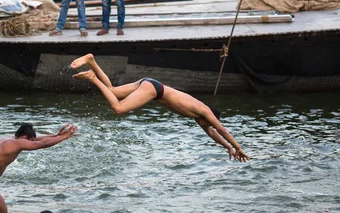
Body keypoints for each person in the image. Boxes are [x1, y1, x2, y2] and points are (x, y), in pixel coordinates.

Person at [70, 54, 249, 162]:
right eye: (209, 124)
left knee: (113, 91)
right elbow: (221, 129)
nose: (208, 127)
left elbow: (213, 134)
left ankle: (91, 61)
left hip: (151, 85)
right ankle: (93, 77)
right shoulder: (205, 111)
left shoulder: (199, 117)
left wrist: (227, 148)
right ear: (212, 118)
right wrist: (238, 147)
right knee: (119, 108)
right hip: (155, 90)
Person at [0, 123, 78, 213]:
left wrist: (57, 135)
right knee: (1, 211)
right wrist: (64, 137)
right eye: (30, 141)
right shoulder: (16, 143)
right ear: (24, 138)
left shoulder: (8, 141)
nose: (31, 144)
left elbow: (39, 139)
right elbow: (41, 144)